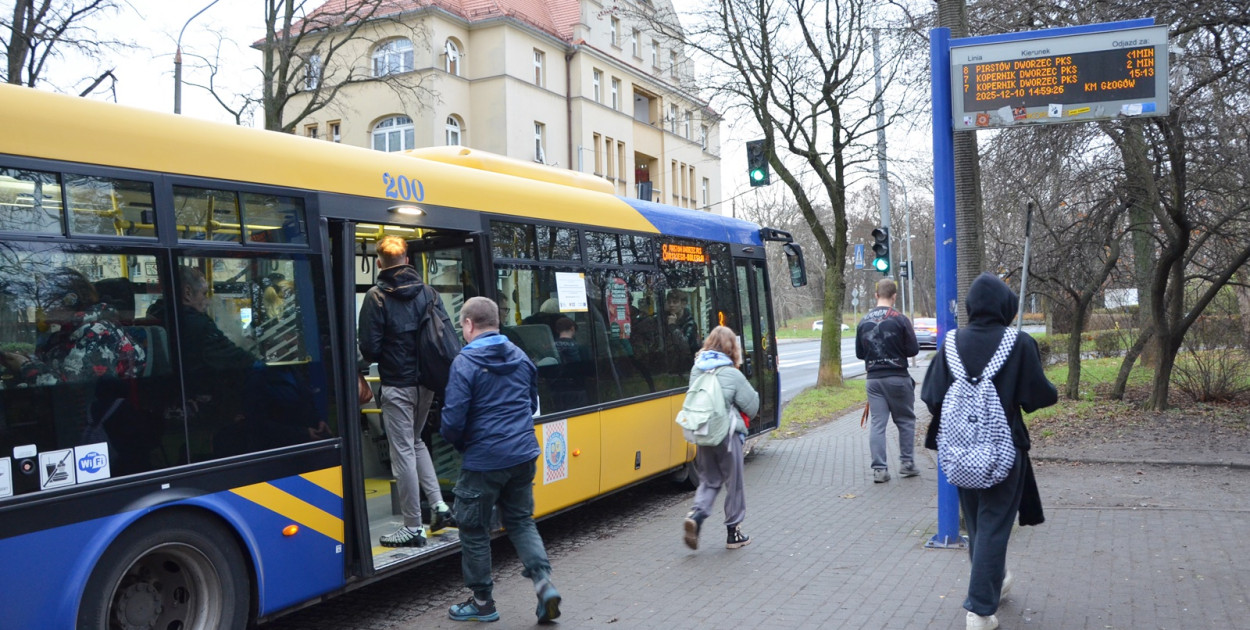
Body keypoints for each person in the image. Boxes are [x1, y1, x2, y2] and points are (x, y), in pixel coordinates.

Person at [920, 273, 1058, 630]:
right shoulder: (1019, 343)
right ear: (1005, 306)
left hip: (960, 452)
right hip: (1003, 452)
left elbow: (931, 396)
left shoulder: (950, 344)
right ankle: (980, 610)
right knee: (996, 525)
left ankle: (995, 581)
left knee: (980, 524)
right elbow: (1038, 395)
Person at [439, 296, 560, 624]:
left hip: (484, 460)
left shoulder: (465, 363)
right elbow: (531, 401)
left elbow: (452, 420)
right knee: (521, 520)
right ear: (497, 321)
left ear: (468, 324)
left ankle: (482, 602)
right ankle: (543, 582)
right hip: (523, 453)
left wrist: (466, 445)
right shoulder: (521, 357)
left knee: (474, 527)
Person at [358, 235, 454, 548]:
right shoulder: (428, 292)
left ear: (378, 263)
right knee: (416, 442)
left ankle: (413, 526)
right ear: (408, 261)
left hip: (397, 386)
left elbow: (370, 349)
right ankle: (439, 506)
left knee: (402, 453)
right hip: (426, 383)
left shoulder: (376, 297)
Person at [682, 325, 760, 551]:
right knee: (733, 484)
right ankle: (734, 533)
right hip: (727, 435)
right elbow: (752, 405)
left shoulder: (697, 370)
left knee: (709, 480)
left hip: (704, 433)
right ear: (731, 348)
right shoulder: (732, 373)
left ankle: (696, 515)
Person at [0, 268, 146, 387]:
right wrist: (25, 359)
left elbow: (69, 392)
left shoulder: (98, 332)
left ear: (70, 299)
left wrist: (25, 366)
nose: (42, 306)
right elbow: (53, 369)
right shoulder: (64, 334)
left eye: (48, 299)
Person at [855, 278, 920, 483]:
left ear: (876, 295)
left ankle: (879, 470)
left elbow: (859, 353)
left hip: (874, 380)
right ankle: (907, 464)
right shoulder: (900, 320)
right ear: (894, 296)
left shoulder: (863, 321)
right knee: (905, 421)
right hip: (898, 378)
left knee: (877, 424)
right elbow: (913, 350)